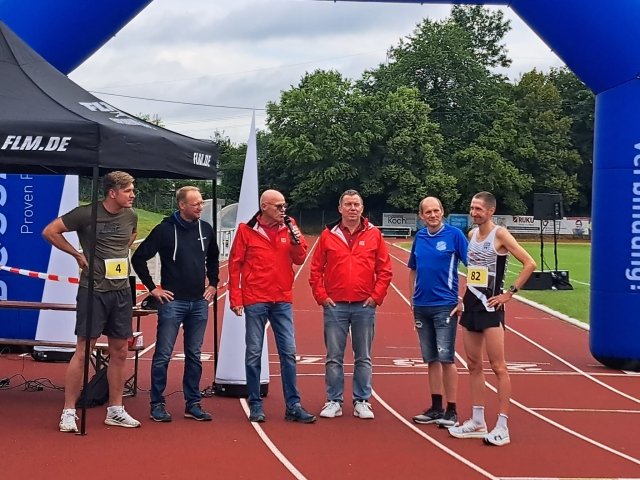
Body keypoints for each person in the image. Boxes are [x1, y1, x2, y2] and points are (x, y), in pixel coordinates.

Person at [42, 171, 140, 432]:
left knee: (120, 350)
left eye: (133, 190)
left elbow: (131, 236)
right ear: (112, 193)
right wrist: (77, 254)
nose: (133, 194)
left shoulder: (131, 215)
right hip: (93, 290)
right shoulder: (86, 214)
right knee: (85, 350)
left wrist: (118, 254)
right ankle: (68, 411)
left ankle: (116, 409)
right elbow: (50, 231)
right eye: (128, 190)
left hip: (121, 291)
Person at [448, 192, 536, 446]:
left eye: (478, 209)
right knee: (473, 364)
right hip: (471, 305)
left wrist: (510, 293)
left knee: (498, 366)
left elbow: (529, 263)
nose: (473, 213)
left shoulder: (500, 234)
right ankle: (478, 421)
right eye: (472, 208)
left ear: (490, 211)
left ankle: (502, 426)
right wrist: (463, 299)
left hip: (491, 307)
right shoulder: (471, 235)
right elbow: (473, 273)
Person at [131, 186, 219, 423]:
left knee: (194, 355)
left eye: (201, 203)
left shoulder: (205, 229)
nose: (201, 207)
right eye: (196, 204)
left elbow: (213, 257)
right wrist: (153, 288)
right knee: (163, 354)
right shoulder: (165, 230)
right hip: (172, 302)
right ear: (182, 205)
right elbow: (139, 258)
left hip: (199, 302)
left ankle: (193, 403)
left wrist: (213, 283)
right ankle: (157, 404)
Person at [228, 189, 316, 424]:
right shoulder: (247, 230)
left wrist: (296, 240)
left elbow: (300, 258)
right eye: (278, 206)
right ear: (264, 206)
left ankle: (293, 405)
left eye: (284, 205)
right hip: (256, 297)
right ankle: (255, 404)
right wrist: (235, 298)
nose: (282, 210)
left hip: (282, 298)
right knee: (254, 352)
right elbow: (235, 265)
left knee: (288, 353)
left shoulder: (290, 225)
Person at [309, 189, 392, 420]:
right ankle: (333, 400)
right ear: (340, 208)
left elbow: (385, 270)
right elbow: (315, 270)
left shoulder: (374, 234)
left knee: (363, 356)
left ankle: (362, 400)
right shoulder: (328, 235)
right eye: (348, 204)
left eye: (356, 204)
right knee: (333, 357)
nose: (352, 208)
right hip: (335, 306)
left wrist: (375, 297)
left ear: (362, 208)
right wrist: (322, 297)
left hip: (364, 306)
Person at [409, 197, 468, 428]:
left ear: (442, 212)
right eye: (428, 212)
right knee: (431, 359)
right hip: (421, 306)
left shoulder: (455, 235)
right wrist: (412, 300)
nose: (432, 215)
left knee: (446, 358)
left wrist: (465, 300)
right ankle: (436, 407)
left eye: (436, 211)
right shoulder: (420, 237)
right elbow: (413, 269)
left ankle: (452, 410)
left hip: (445, 306)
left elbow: (474, 267)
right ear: (421, 215)